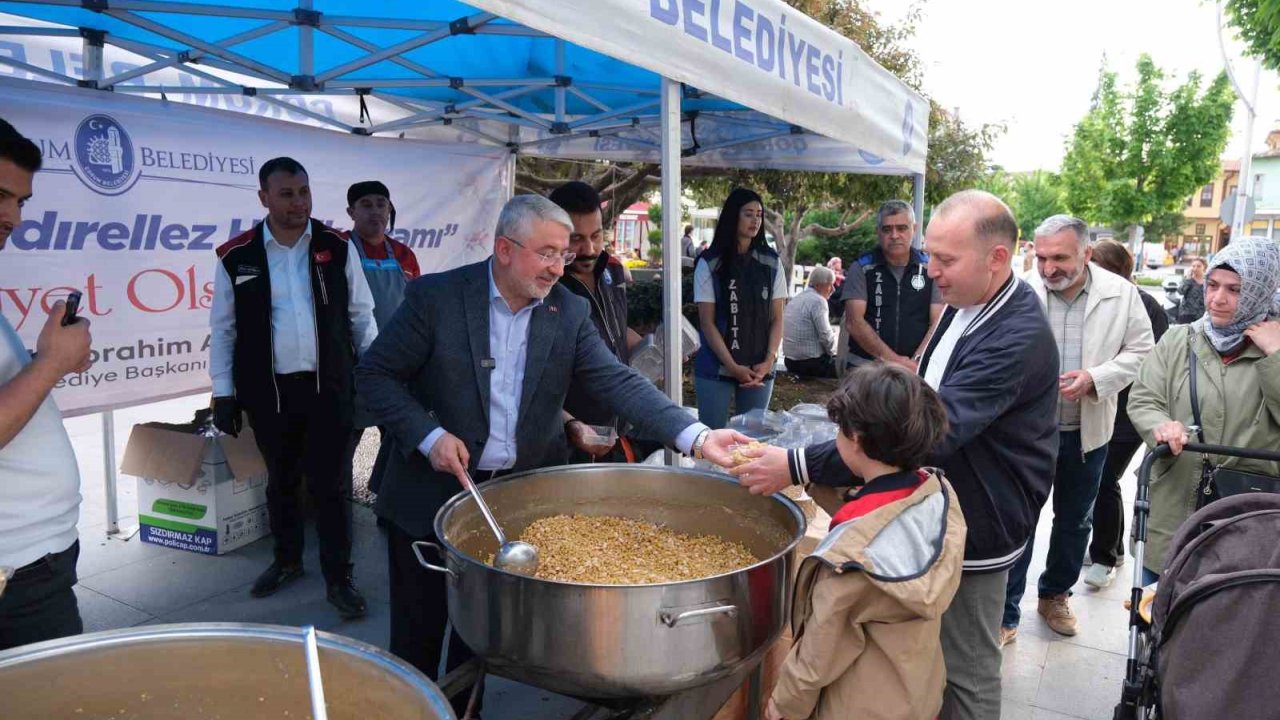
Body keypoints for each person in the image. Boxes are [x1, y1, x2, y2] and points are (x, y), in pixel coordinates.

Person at [353, 194, 752, 715]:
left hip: (511, 506)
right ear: (503, 248)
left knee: (480, 641)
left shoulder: (568, 311)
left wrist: (696, 436)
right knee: (418, 638)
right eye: (547, 254)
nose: (559, 267)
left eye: (563, 254)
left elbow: (617, 381)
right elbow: (375, 375)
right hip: (428, 499)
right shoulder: (438, 298)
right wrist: (428, 436)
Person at [733, 190, 1060, 720]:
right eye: (932, 256)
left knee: (968, 668)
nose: (932, 272)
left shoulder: (1015, 335)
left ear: (997, 258)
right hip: (935, 505)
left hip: (979, 520)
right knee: (930, 661)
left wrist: (796, 465)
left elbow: (922, 435)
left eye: (947, 260)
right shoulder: (966, 303)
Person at [209, 157, 378, 619]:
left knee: (331, 487)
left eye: (303, 192)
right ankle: (286, 561)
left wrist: (380, 377)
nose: (298, 203)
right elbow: (223, 330)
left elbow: (363, 318)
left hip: (331, 388)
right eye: (286, 194)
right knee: (281, 483)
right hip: (269, 393)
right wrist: (223, 393)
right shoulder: (235, 255)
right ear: (263, 198)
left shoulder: (337, 247)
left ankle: (339, 577)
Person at [764, 363, 966, 720]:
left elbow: (817, 656)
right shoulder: (938, 493)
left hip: (859, 705)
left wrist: (781, 708)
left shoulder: (851, 566)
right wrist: (812, 483)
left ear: (855, 437)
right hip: (915, 690)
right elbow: (883, 515)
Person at [1000, 216, 1153, 646]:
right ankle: (1006, 610)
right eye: (1042, 256)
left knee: (1074, 520)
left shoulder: (1121, 295)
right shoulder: (1020, 288)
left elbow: (1144, 350)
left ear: (1087, 253)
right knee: (1020, 519)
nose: (1048, 268)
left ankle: (1054, 595)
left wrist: (1097, 377)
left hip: (1087, 431)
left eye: (1060, 258)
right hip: (1028, 432)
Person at [1127, 236, 1280, 585]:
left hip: (1247, 521)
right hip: (1171, 509)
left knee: (1226, 624)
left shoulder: (1275, 349)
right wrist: (1160, 426)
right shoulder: (1179, 340)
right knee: (1155, 617)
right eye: (1212, 285)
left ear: (1261, 291)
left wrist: (1275, 357)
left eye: (1235, 289)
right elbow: (1143, 398)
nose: (1217, 299)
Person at [0, 119, 94, 651]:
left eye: (21, 202)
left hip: (34, 564)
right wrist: (50, 365)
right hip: (14, 575)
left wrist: (47, 359)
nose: (12, 218)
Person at [1084, 240, 1169, 590]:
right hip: (1096, 404)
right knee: (1098, 480)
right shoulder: (1094, 300)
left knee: (1105, 478)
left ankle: (1106, 555)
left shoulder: (1146, 305)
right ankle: (1112, 547)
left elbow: (1153, 363)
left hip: (1130, 411)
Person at [548, 181, 644, 462]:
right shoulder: (546, 284)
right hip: (566, 433)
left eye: (597, 235)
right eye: (576, 239)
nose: (589, 249)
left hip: (616, 424)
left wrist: (650, 349)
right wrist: (568, 422)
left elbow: (613, 327)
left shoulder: (613, 269)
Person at [341, 181, 421, 498]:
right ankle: (339, 503)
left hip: (397, 364)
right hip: (352, 364)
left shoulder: (404, 254)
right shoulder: (340, 251)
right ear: (351, 211)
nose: (376, 211)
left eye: (381, 203)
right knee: (345, 442)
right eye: (366, 204)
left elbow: (417, 307)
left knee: (401, 439)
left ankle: (391, 502)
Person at [693, 188, 788, 429]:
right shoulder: (709, 262)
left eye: (759, 214)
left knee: (752, 445)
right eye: (748, 214)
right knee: (711, 441)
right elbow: (707, 322)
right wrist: (732, 366)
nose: (755, 220)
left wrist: (769, 360)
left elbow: (777, 318)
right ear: (733, 216)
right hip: (716, 368)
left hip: (760, 369)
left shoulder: (772, 262)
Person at [841, 199, 942, 372]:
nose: (894, 235)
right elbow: (854, 322)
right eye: (887, 229)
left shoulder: (929, 268)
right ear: (878, 232)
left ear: (914, 229)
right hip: (866, 369)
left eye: (902, 228)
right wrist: (896, 361)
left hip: (915, 369)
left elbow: (938, 321)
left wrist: (916, 361)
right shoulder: (862, 267)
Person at [782, 266, 838, 378]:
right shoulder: (818, 301)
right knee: (850, 367)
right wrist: (836, 353)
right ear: (818, 285)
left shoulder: (796, 299)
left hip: (790, 361)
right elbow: (826, 337)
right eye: (830, 285)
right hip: (811, 364)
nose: (833, 289)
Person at [1176, 258, 1207, 324]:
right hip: (1186, 313)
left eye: (1199, 266)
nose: (1195, 268)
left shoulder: (1208, 280)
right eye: (1193, 266)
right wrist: (1188, 279)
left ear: (1204, 267)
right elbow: (1180, 292)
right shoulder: (1188, 279)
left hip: (1201, 314)